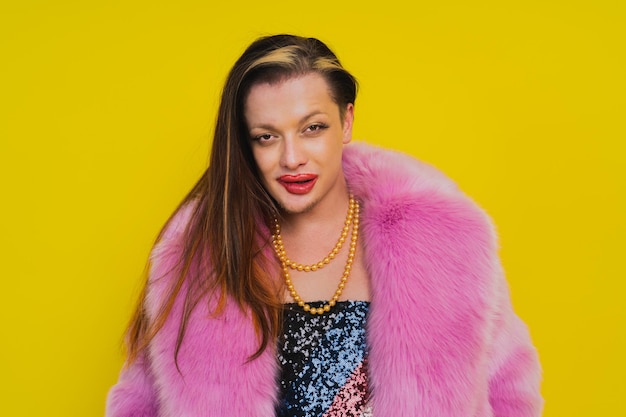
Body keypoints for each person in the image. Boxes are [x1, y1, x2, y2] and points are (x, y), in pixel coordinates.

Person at [106, 34, 542, 417]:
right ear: (245, 143)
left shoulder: (442, 241)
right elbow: (139, 404)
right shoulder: (198, 259)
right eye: (267, 136)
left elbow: (510, 391)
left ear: (346, 121)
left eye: (312, 128)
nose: (292, 157)